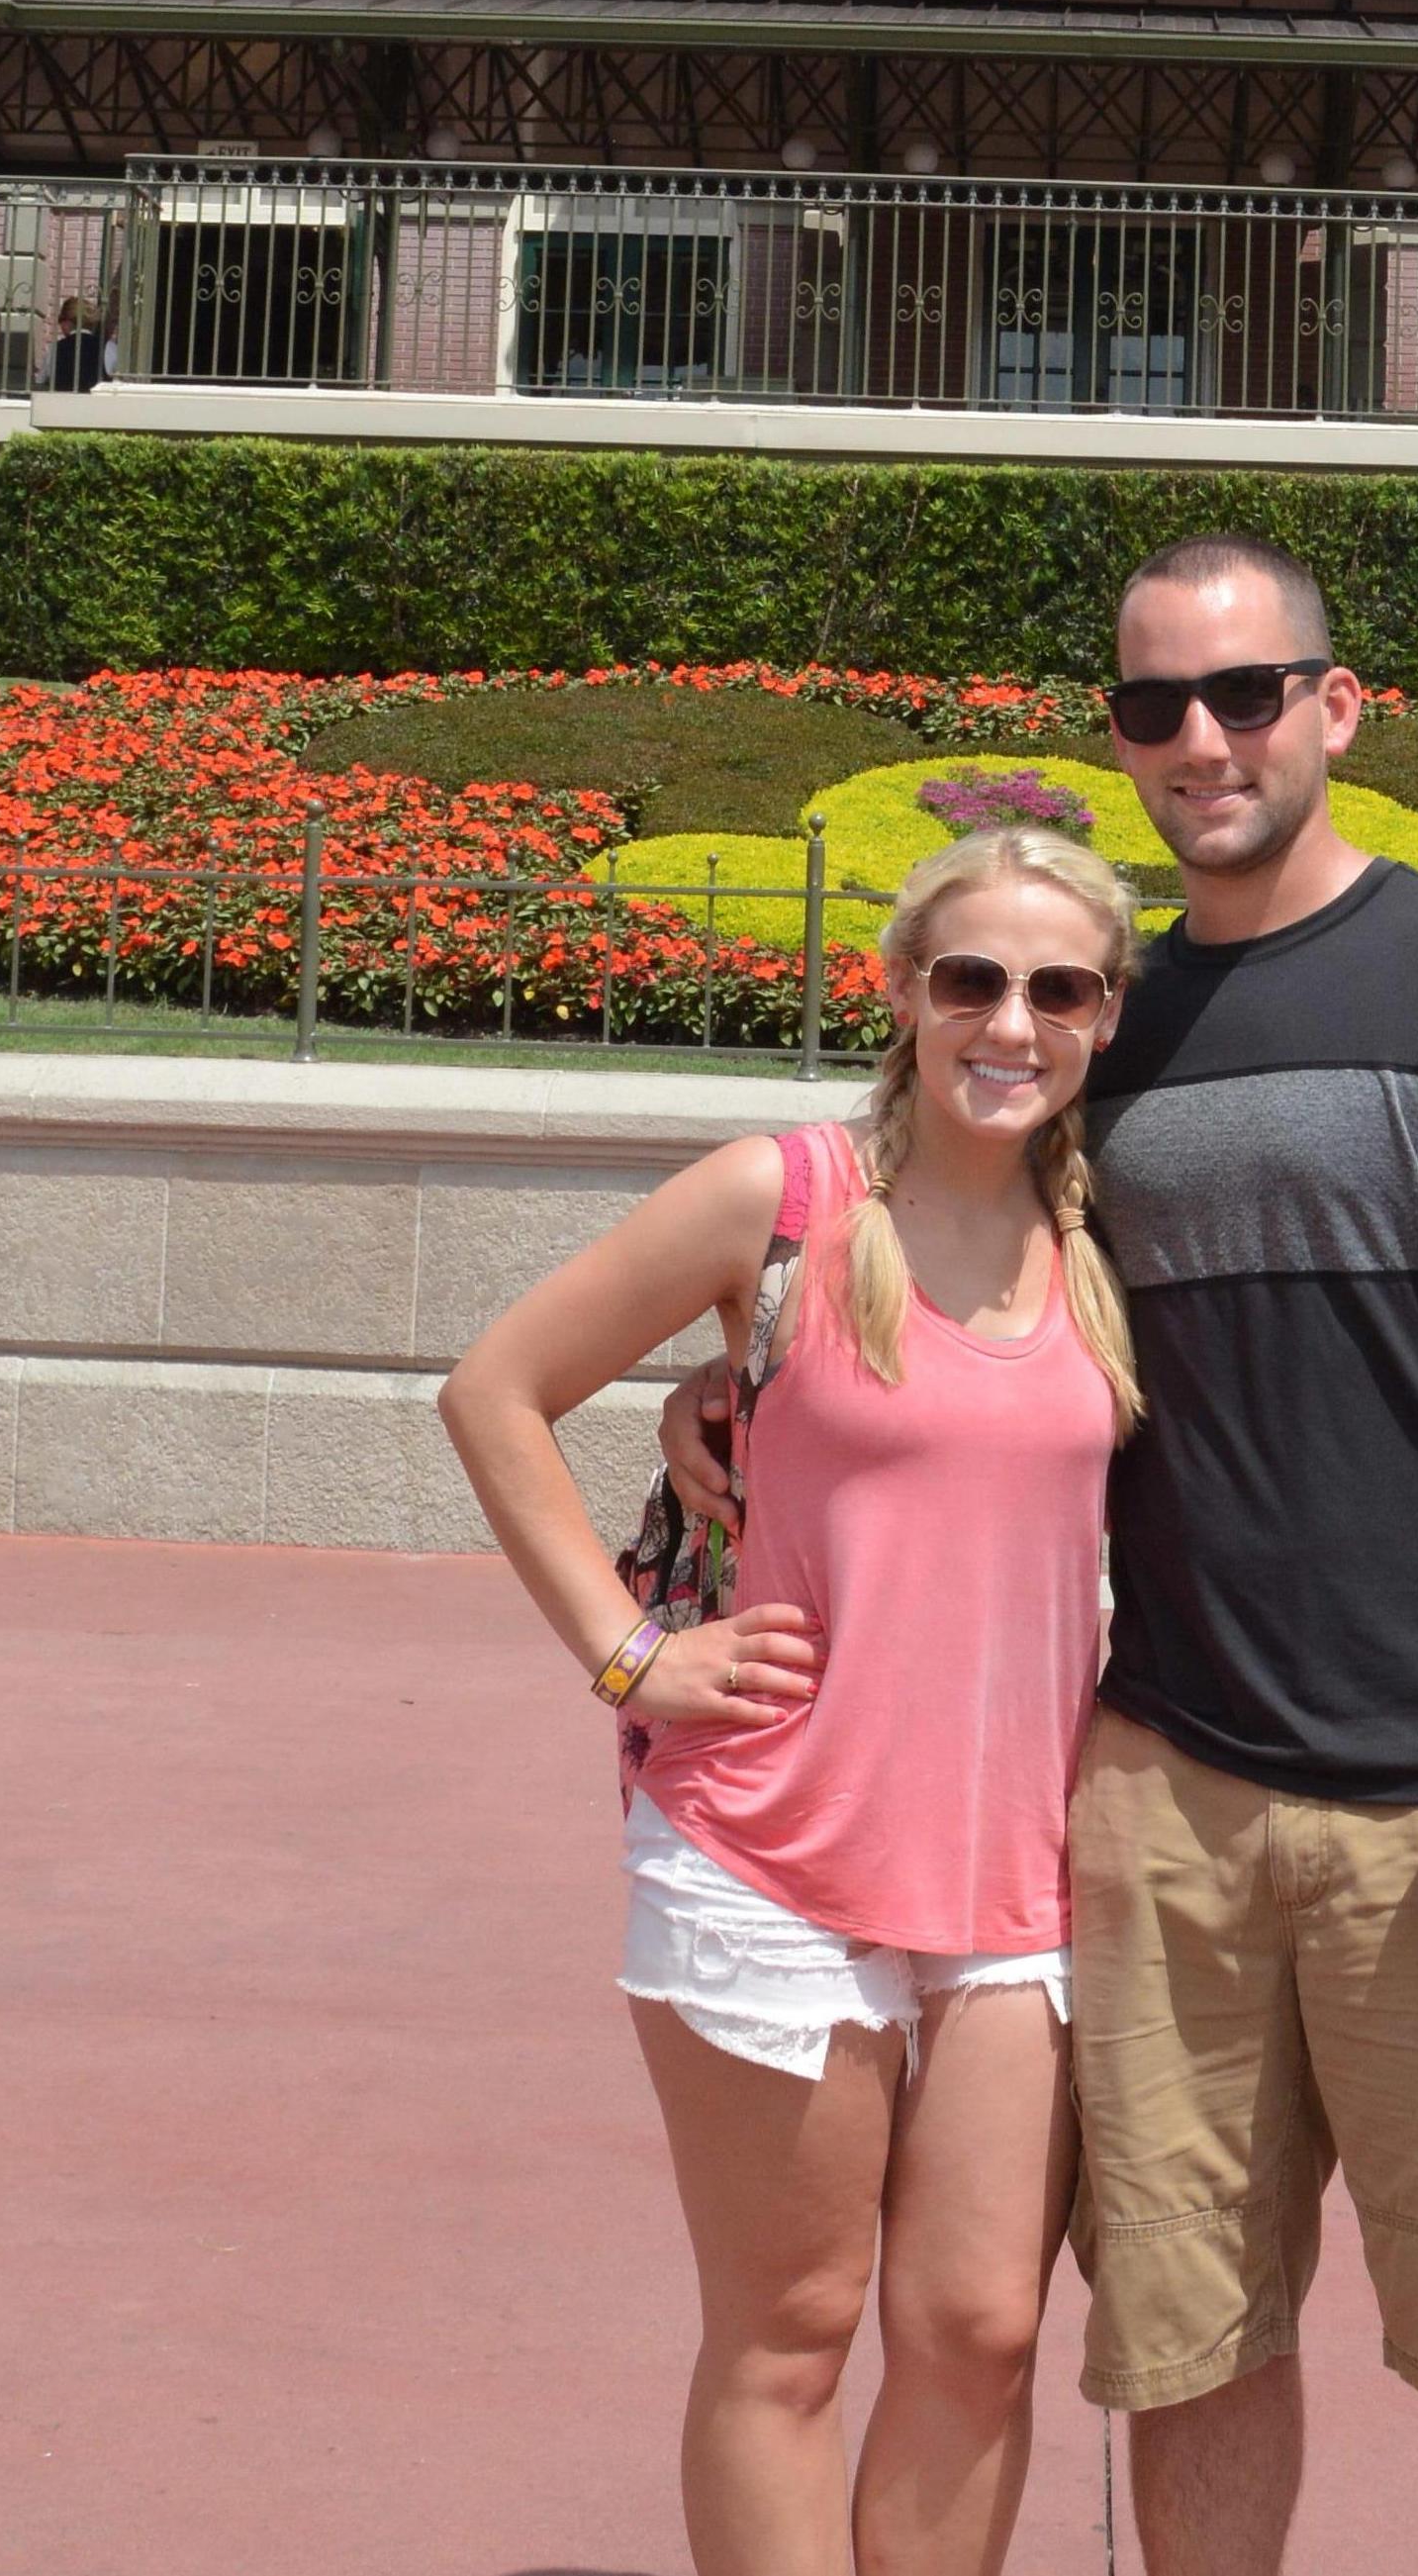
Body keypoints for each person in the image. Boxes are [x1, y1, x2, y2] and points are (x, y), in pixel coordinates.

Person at [671, 538, 1418, 2576]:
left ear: (1337, 706)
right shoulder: (1105, 1030)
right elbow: (954, 1297)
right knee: (1188, 2340)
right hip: (1164, 1797)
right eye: (1152, 708)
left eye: (1243, 694)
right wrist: (726, 1412)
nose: (1200, 742)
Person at [441, 823, 1146, 2576]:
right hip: (765, 1851)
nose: (1010, 1019)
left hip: (1020, 1872)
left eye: (1057, 987)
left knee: (980, 2332)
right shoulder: (783, 1195)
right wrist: (629, 1651)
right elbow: (494, 1390)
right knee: (792, 2331)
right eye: (969, 978)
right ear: (902, 993)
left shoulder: (1111, 1231)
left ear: (1105, 1016)